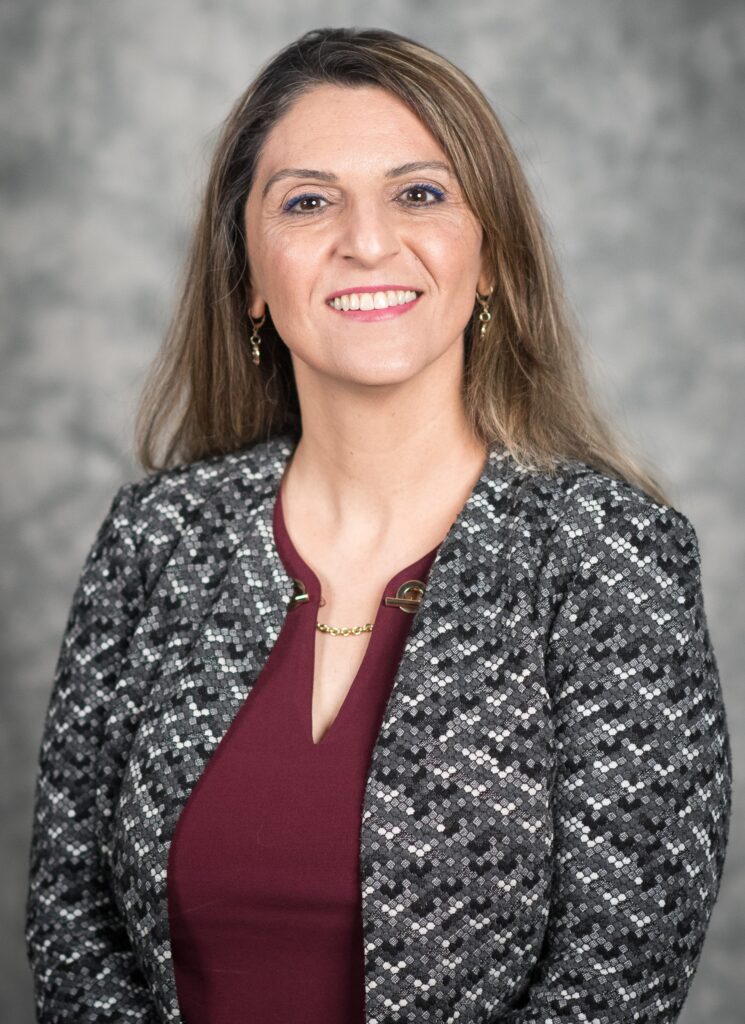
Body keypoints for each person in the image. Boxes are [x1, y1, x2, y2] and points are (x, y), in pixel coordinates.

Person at [25, 26, 732, 1024]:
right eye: (307, 201)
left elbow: (612, 982)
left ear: (487, 260)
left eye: (419, 193)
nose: (366, 239)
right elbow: (73, 921)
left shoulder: (607, 556)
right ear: (250, 279)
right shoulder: (157, 541)